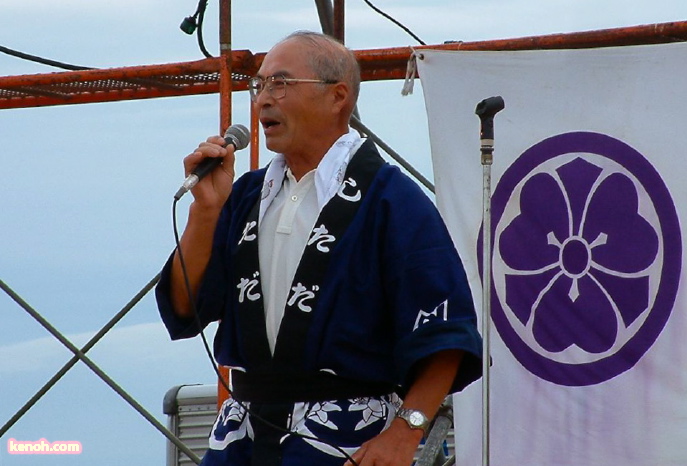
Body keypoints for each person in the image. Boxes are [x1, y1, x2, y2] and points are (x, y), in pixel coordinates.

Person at [156, 31, 482, 466]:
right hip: (243, 437)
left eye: (281, 83)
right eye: (260, 85)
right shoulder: (247, 195)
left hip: (345, 438)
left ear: (337, 97)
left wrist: (406, 433)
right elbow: (185, 306)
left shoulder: (390, 199)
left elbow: (446, 333)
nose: (263, 99)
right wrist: (206, 211)